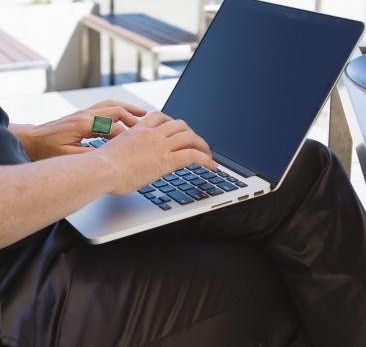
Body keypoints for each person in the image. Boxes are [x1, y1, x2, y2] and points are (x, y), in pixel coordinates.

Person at [1, 100, 366, 347]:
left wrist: (26, 138)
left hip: (27, 221)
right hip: (20, 285)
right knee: (268, 272)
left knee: (303, 169)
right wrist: (110, 165)